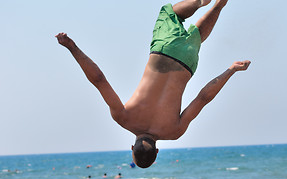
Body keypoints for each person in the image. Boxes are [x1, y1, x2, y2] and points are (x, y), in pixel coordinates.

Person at [56, 0, 251, 168]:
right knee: (169, 13)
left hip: (187, 61)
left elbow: (203, 98)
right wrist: (72, 47)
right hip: (164, 50)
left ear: (157, 153)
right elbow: (99, 80)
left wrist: (231, 70)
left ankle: (218, 6)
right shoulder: (123, 117)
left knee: (197, 36)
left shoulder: (174, 131)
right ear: (132, 148)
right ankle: (200, 1)